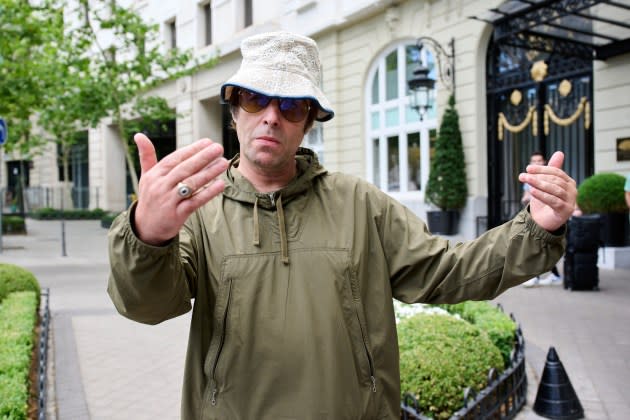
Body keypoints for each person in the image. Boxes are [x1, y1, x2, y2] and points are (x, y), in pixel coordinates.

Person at [107, 31, 577, 420]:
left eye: (291, 105)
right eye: (256, 99)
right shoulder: (201, 212)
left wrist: (536, 227)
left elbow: (447, 270)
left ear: (310, 119)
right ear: (234, 110)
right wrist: (149, 235)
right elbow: (148, 306)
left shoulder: (358, 203)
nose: (272, 117)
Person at [521, 151, 563, 287]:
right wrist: (526, 198)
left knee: (539, 246)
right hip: (534, 217)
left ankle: (536, 276)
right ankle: (553, 275)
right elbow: (526, 196)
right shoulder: (529, 179)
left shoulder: (551, 177)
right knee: (539, 246)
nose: (537, 163)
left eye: (539, 160)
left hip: (547, 218)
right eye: (534, 161)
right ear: (530, 163)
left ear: (544, 162)